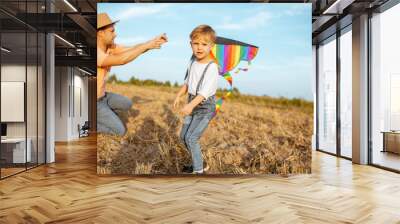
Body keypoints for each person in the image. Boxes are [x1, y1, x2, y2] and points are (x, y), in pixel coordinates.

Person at [97, 13, 167, 135]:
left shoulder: (110, 47)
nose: (115, 34)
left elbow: (131, 49)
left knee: (127, 103)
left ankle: (104, 114)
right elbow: (122, 59)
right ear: (100, 33)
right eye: (112, 31)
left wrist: (151, 43)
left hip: (103, 96)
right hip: (93, 101)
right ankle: (88, 122)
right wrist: (147, 45)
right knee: (120, 131)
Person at [173, 25, 219, 174]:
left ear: (211, 46)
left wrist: (190, 106)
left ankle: (198, 171)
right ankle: (199, 162)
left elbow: (204, 93)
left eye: (204, 44)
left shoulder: (212, 67)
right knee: (183, 136)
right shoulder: (192, 60)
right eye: (196, 43)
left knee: (191, 138)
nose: (199, 48)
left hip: (205, 107)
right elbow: (187, 81)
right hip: (192, 101)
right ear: (190, 44)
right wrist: (179, 95)